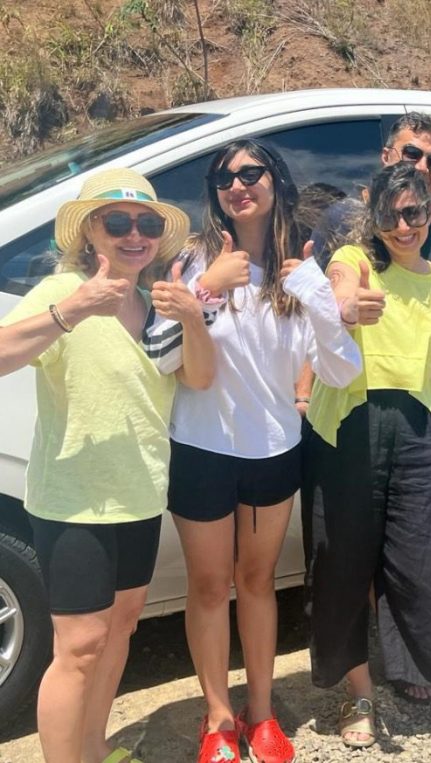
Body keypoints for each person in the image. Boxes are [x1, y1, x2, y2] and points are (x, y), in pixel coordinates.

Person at [154, 140, 362, 763]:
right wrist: (208, 290)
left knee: (259, 581)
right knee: (211, 586)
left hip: (273, 446)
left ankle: (262, 713)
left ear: (277, 181)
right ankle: (219, 718)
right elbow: (162, 353)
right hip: (201, 445)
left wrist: (320, 295)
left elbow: (342, 371)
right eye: (225, 176)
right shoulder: (192, 258)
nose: (238, 185)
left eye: (252, 172)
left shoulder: (303, 265)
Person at [0, 168, 214, 763]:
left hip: (140, 495)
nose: (133, 234)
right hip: (73, 499)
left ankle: (92, 749)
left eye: (145, 224)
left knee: (120, 630)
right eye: (116, 222)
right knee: (80, 647)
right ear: (91, 233)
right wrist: (73, 310)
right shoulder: (60, 292)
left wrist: (193, 317)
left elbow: (197, 377)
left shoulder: (157, 305)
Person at [301, 111, 431, 701]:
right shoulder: (347, 219)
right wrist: (305, 387)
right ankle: (389, 666)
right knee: (365, 540)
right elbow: (320, 300)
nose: (422, 168)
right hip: (357, 402)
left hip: (426, 401)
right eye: (411, 154)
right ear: (385, 155)